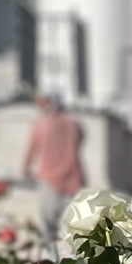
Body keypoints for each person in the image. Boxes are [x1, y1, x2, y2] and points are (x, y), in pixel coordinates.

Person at [21, 90, 85, 243]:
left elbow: (31, 150)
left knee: (48, 230)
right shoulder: (74, 124)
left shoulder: (41, 125)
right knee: (73, 230)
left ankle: (52, 263)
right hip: (73, 179)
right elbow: (81, 140)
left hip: (49, 180)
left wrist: (25, 170)